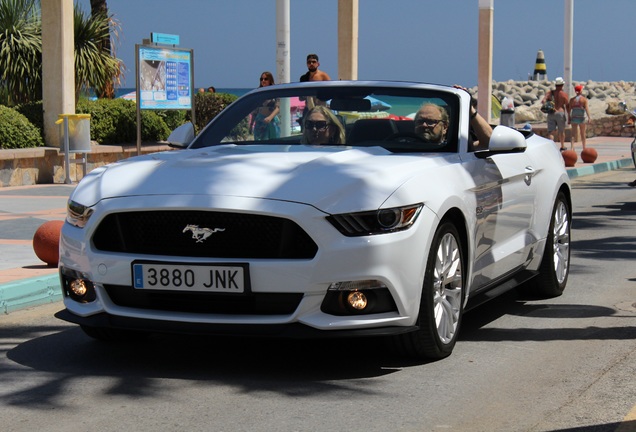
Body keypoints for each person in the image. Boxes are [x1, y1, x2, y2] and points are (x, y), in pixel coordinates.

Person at [250, 72, 280, 140]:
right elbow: (255, 111)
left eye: (265, 79)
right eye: (261, 79)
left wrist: (270, 117)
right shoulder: (258, 93)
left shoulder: (275, 92)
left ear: (270, 80)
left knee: (273, 143)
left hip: (271, 122)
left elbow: (277, 108)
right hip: (260, 122)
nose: (263, 81)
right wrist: (251, 124)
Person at [542, 77, 569, 150]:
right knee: (561, 131)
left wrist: (548, 104)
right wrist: (569, 116)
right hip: (560, 113)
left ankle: (551, 147)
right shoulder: (564, 95)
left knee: (551, 131)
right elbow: (567, 106)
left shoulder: (550, 93)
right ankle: (562, 146)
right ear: (562, 85)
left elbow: (543, 101)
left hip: (551, 113)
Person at [568, 84, 591, 150]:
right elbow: (586, 109)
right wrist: (589, 117)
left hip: (574, 117)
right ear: (581, 91)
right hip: (581, 118)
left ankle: (572, 147)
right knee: (583, 133)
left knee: (573, 133)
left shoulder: (572, 100)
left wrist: (569, 118)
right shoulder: (584, 99)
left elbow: (569, 110)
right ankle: (584, 147)